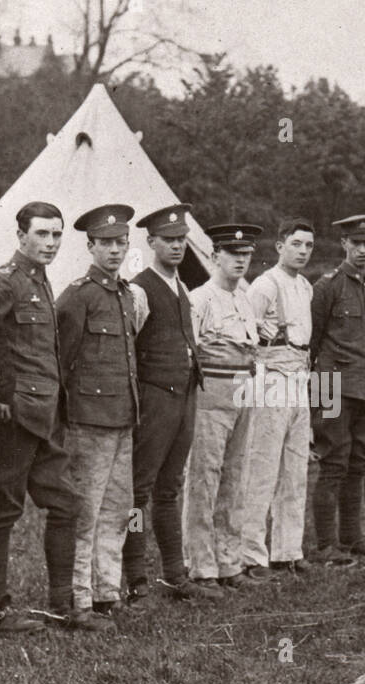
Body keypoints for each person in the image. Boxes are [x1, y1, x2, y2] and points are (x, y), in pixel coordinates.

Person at [0, 201, 73, 634]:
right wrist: (1, 394)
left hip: (46, 416)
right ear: (20, 237)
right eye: (42, 234)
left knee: (66, 504)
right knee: (3, 510)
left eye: (56, 234)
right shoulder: (5, 282)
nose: (50, 243)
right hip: (16, 417)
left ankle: (62, 603)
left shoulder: (41, 280)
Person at [124, 205, 223, 602]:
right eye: (169, 240)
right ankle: (136, 580)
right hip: (154, 399)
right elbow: (127, 347)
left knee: (170, 488)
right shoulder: (139, 288)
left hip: (183, 397)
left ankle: (174, 576)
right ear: (151, 243)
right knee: (137, 492)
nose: (179, 246)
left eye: (182, 239)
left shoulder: (180, 286)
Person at [55, 204, 141, 629]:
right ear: (89, 246)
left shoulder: (125, 294)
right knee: (85, 513)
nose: (113, 250)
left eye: (120, 242)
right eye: (105, 243)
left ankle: (108, 591)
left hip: (123, 416)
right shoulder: (78, 295)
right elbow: (63, 362)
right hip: (88, 420)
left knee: (117, 509)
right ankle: (79, 599)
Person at [185, 222, 263, 590]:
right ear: (215, 256)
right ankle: (201, 565)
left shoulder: (244, 299)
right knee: (205, 477)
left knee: (235, 477)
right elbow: (190, 352)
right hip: (212, 392)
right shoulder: (200, 298)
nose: (241, 261)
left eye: (246, 254)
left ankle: (230, 562)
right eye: (233, 254)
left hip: (243, 390)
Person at [241, 218, 316, 576]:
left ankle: (287, 550)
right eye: (296, 244)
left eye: (308, 246)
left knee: (296, 469)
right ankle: (251, 554)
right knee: (262, 468)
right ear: (280, 246)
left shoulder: (305, 286)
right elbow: (246, 339)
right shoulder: (263, 286)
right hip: (271, 377)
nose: (302, 251)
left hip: (300, 376)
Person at [311, 214, 365, 564]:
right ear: (344, 245)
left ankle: (352, 536)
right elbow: (313, 341)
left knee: (359, 461)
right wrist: (317, 397)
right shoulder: (328, 285)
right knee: (333, 462)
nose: (363, 250)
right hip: (331, 384)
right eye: (357, 244)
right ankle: (326, 544)